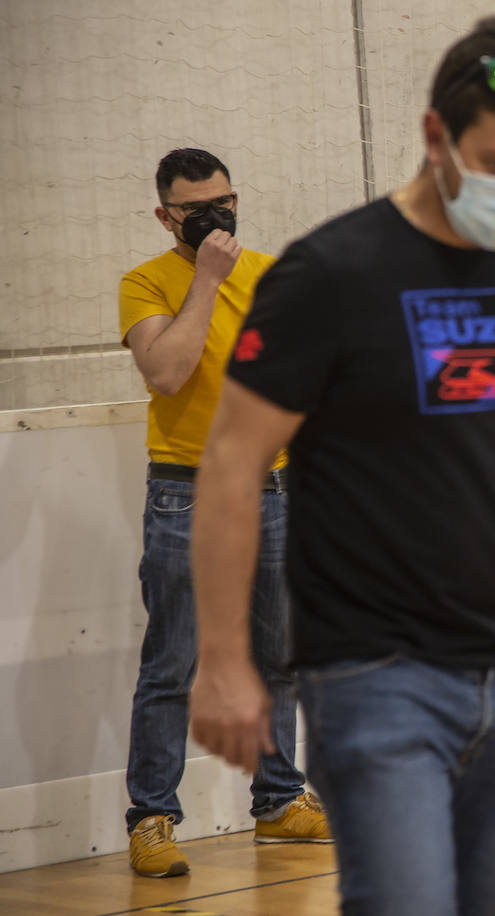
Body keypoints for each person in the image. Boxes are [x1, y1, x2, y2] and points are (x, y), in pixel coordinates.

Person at [186, 16, 495, 916]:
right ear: (436, 137)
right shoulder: (330, 275)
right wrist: (225, 660)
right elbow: (231, 465)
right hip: (373, 680)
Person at [117, 149, 330, 877]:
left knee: (278, 658)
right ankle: (152, 817)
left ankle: (277, 801)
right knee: (173, 662)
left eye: (226, 203)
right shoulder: (146, 281)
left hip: (269, 488)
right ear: (165, 215)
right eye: (198, 209)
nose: (217, 217)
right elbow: (168, 369)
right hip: (185, 491)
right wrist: (207, 277)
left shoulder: (273, 274)